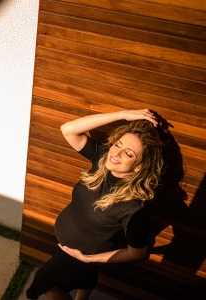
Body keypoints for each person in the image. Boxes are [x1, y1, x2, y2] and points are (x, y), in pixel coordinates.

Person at [26, 109, 164, 300]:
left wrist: (88, 259)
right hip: (71, 251)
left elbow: (137, 253)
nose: (117, 153)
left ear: (139, 166)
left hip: (82, 257)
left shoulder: (134, 208)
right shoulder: (102, 161)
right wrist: (123, 115)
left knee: (45, 283)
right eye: (118, 144)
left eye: (129, 153)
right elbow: (68, 129)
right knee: (84, 283)